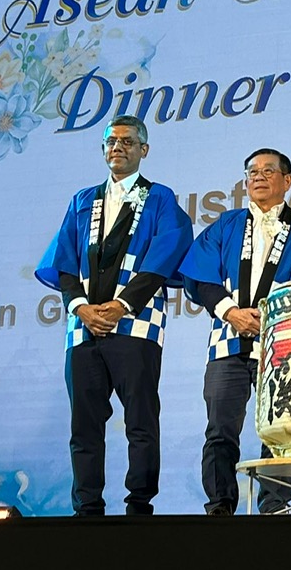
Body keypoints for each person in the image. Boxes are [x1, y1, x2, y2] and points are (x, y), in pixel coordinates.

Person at [35, 114, 193, 516]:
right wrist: (80, 307)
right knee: (84, 424)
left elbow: (164, 256)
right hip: (83, 328)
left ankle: (139, 503)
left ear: (144, 149)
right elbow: (64, 260)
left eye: (126, 141)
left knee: (141, 419)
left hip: (136, 326)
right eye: (110, 141)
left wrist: (122, 305)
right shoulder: (82, 200)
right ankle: (87, 506)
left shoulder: (159, 198)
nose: (117, 148)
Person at [179, 148, 291, 515]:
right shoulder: (226, 224)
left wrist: (273, 318)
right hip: (227, 342)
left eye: (268, 171)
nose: (258, 177)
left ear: (287, 181)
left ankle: (274, 507)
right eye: (252, 172)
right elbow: (201, 275)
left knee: (280, 429)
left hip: (283, 345)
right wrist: (231, 313)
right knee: (219, 430)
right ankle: (219, 506)